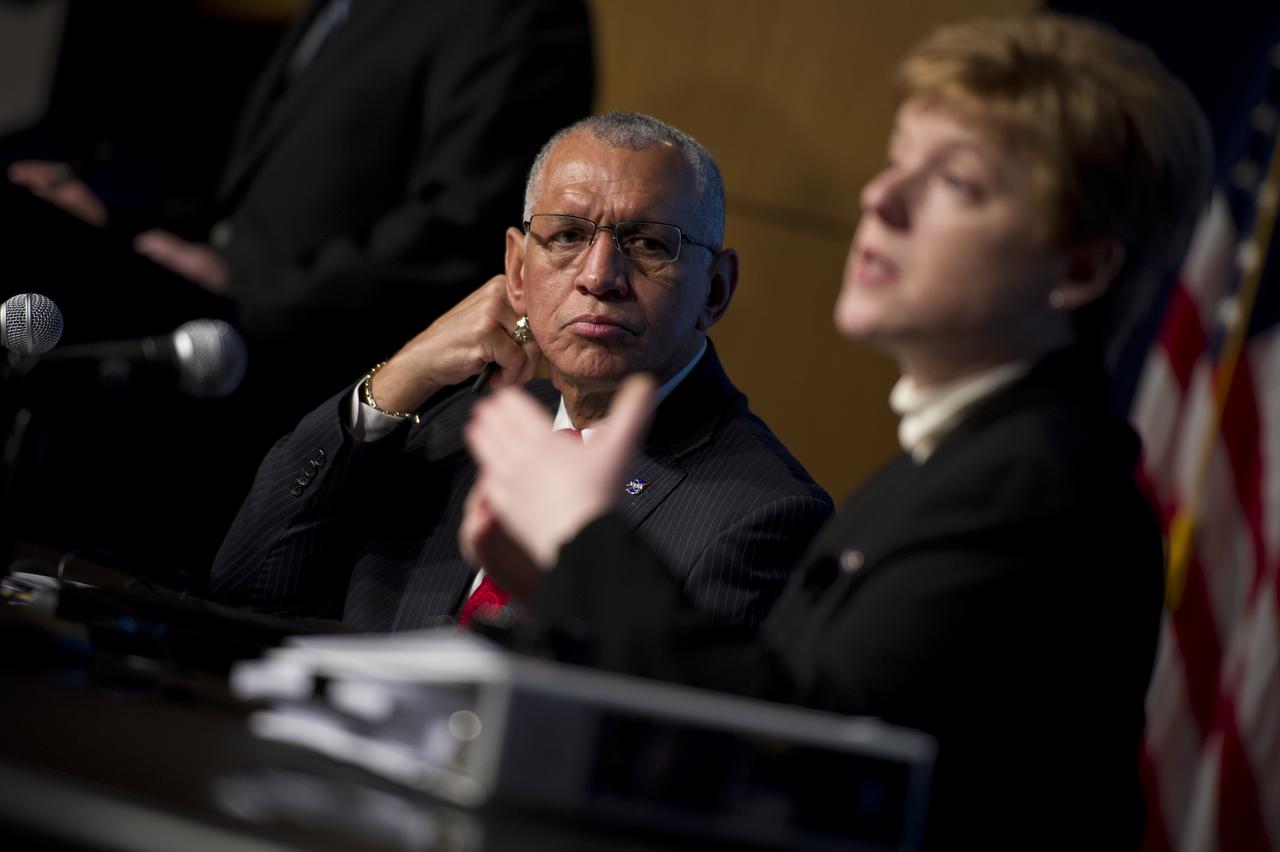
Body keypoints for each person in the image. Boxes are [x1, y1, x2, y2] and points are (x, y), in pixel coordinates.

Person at [459, 15, 1214, 848]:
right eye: (897, 164)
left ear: (1079, 269)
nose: (879, 198)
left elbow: (801, 762)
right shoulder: (946, 469)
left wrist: (584, 547)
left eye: (955, 183)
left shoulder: (1039, 490)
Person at [3, 0, 595, 577]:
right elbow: (253, 214)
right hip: (223, 378)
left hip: (330, 403)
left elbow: (457, 230)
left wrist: (247, 284)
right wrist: (111, 222)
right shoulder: (338, 8)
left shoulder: (515, 12)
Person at [209, 112, 833, 632]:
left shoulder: (765, 516)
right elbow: (246, 592)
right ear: (516, 268)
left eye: (646, 243)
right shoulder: (459, 425)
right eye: (566, 236)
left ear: (715, 291)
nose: (598, 277)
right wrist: (394, 382)